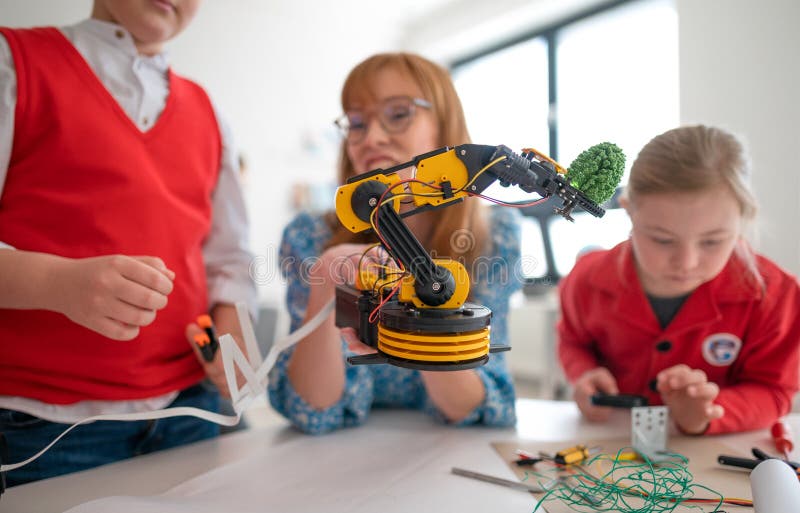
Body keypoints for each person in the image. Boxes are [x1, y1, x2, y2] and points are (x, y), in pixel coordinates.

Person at [0, 0, 256, 485]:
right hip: (40, 427)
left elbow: (228, 260)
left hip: (190, 410)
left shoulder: (210, 113)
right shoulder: (13, 63)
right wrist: (57, 284)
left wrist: (230, 330)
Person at [268, 53, 520, 434]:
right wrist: (325, 278)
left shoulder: (494, 234)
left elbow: (474, 406)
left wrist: (429, 307)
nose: (371, 138)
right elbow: (311, 409)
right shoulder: (311, 236)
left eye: (398, 114)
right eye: (356, 123)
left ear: (445, 127)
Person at [557, 125, 800, 435]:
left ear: (742, 219)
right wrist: (584, 373)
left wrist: (709, 412)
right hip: (609, 443)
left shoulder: (777, 296)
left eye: (712, 241)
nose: (686, 263)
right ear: (629, 213)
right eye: (662, 240)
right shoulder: (586, 280)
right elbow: (572, 340)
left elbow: (773, 391)